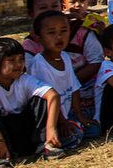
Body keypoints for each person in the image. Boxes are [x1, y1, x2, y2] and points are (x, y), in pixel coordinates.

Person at [0, 38, 65, 165]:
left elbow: (53, 96)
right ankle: (0, 156)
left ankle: (46, 145)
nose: (18, 64)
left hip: (25, 134)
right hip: (2, 136)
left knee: (42, 99)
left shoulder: (24, 80)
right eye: (11, 60)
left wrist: (51, 129)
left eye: (21, 59)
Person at [25, 11, 87, 148]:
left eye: (64, 31)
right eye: (51, 33)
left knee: (93, 129)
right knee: (74, 136)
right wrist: (63, 121)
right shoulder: (39, 64)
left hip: (67, 114)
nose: (59, 37)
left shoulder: (65, 57)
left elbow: (74, 87)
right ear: (38, 37)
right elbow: (48, 99)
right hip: (51, 119)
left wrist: (79, 114)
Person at [60, 0, 104, 138]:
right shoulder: (54, 26)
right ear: (63, 5)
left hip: (84, 82)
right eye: (73, 1)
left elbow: (96, 60)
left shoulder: (89, 27)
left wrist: (74, 81)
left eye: (82, 1)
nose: (77, 5)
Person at [21, 0, 64, 65]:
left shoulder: (75, 31)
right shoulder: (30, 46)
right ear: (31, 13)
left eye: (55, 6)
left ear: (62, 8)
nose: (50, 11)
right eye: (43, 7)